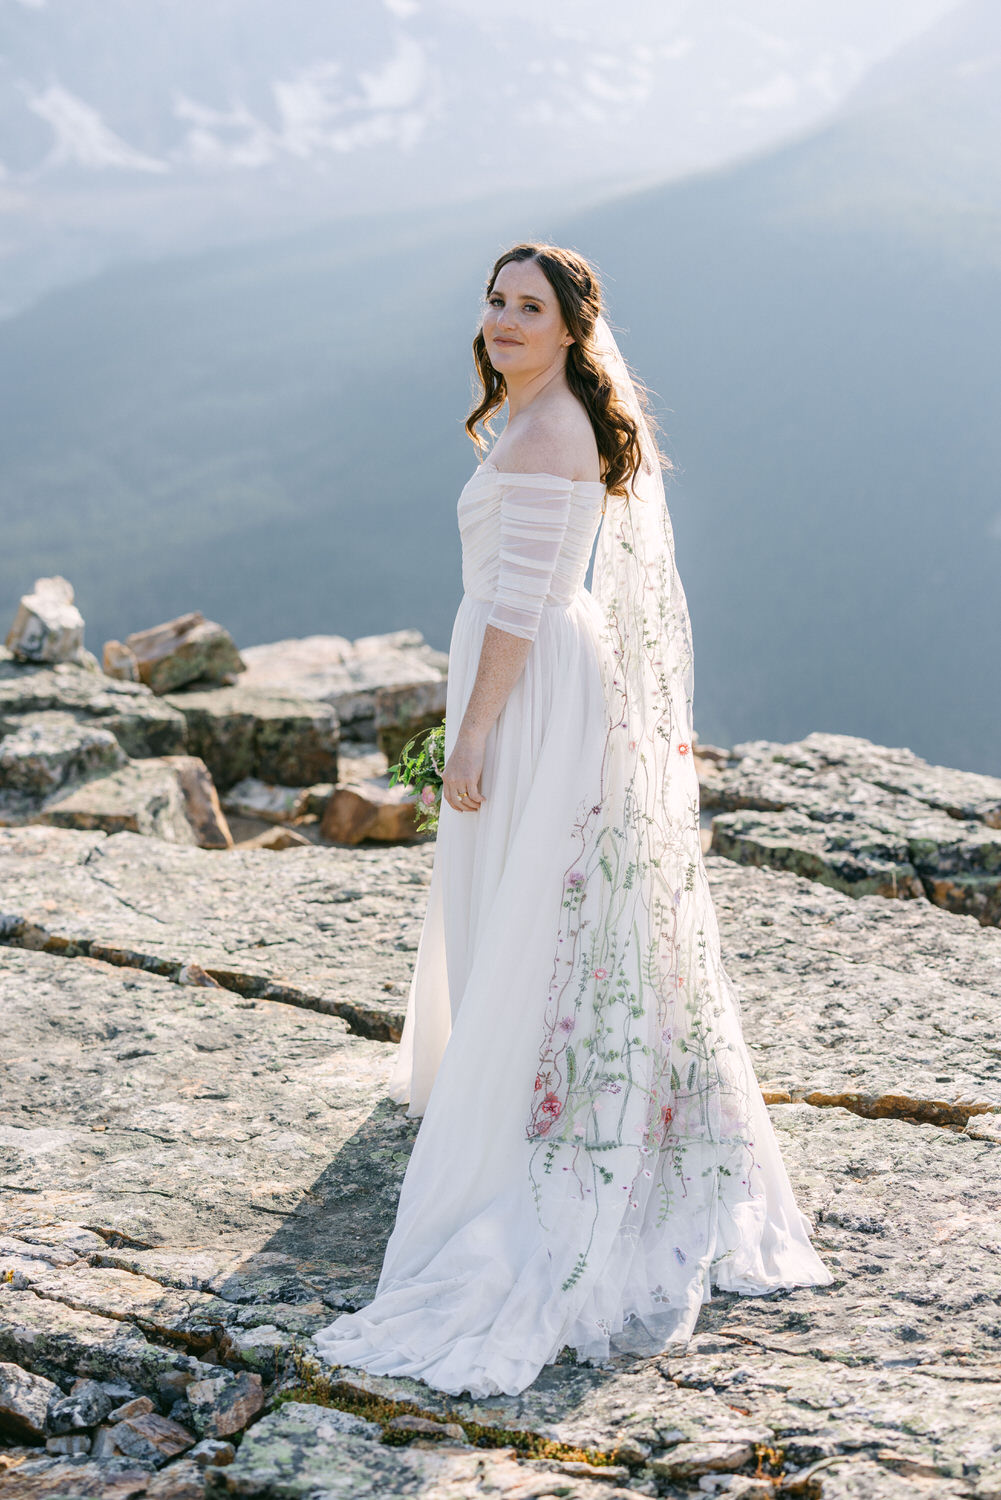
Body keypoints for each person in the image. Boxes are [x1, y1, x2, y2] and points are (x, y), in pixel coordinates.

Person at [312, 241, 832, 1399]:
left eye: (526, 306)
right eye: (494, 301)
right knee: (536, 895)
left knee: (532, 888)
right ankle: (528, 1082)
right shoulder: (535, 410)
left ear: (568, 324)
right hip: (532, 671)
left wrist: (479, 731)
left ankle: (524, 1114)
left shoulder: (546, 433)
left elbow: (520, 601)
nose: (500, 320)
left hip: (532, 683)